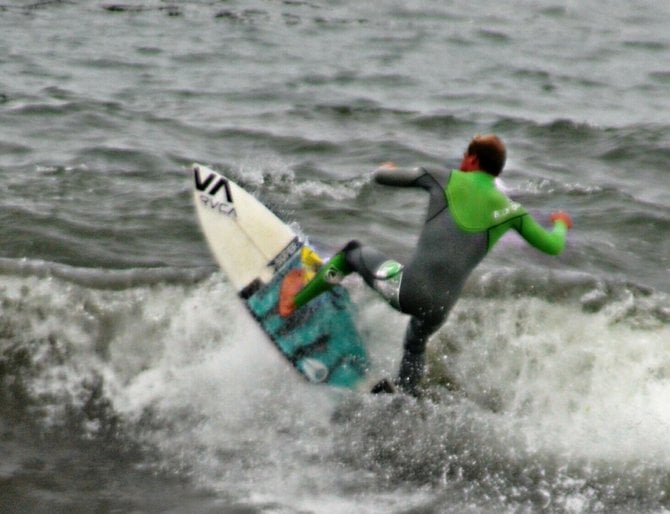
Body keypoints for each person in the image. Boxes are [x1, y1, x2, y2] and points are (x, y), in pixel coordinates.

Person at [282, 134, 573, 396]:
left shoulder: (443, 178)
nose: (461, 162)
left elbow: (382, 177)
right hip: (440, 308)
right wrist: (560, 224)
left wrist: (387, 167)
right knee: (414, 344)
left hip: (408, 291)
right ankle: (406, 400)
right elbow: (553, 246)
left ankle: (293, 302)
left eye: (464, 157)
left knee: (351, 254)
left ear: (472, 159)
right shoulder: (512, 210)